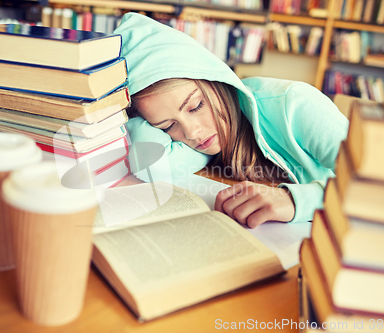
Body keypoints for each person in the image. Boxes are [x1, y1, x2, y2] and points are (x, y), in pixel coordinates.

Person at [113, 13, 349, 227]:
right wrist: (124, 116)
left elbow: (382, 187)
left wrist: (295, 200)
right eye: (168, 126)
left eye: (196, 107)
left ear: (215, 79)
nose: (192, 133)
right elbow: (154, 165)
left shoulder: (294, 104)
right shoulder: (205, 138)